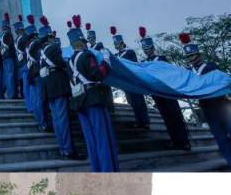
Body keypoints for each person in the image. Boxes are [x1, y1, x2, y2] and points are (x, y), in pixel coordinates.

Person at [182, 34, 231, 171]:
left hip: (222, 106)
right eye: (189, 57)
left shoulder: (210, 66)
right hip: (207, 108)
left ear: (199, 55)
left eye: (193, 55)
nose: (191, 59)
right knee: (221, 140)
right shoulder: (189, 72)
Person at [67, 16, 120, 172]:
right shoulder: (87, 55)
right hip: (93, 100)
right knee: (102, 138)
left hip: (79, 102)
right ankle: (108, 171)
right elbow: (98, 74)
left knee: (91, 140)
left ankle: (97, 170)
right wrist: (106, 61)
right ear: (83, 41)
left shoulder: (69, 61)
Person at [139, 27, 191, 150]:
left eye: (149, 48)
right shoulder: (144, 62)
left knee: (176, 117)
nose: (147, 51)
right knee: (167, 118)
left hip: (167, 91)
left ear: (153, 48)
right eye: (145, 49)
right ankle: (174, 140)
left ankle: (184, 140)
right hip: (157, 94)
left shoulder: (161, 59)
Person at [37, 18, 79, 159]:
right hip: (59, 87)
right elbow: (61, 63)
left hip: (48, 89)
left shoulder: (41, 53)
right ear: (50, 37)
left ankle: (62, 148)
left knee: (56, 119)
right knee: (63, 119)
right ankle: (69, 150)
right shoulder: (55, 48)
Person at [110, 27, 151, 131]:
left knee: (139, 101)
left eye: (118, 44)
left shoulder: (130, 52)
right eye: (115, 44)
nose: (116, 46)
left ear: (122, 43)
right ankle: (138, 121)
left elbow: (134, 66)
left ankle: (145, 121)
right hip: (125, 82)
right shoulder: (116, 55)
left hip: (133, 81)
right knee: (132, 102)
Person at [0, 14, 18, 100]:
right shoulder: (8, 35)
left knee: (7, 76)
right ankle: (11, 94)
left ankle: (9, 93)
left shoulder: (1, 37)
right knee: (10, 75)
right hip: (9, 57)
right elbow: (11, 45)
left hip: (4, 58)